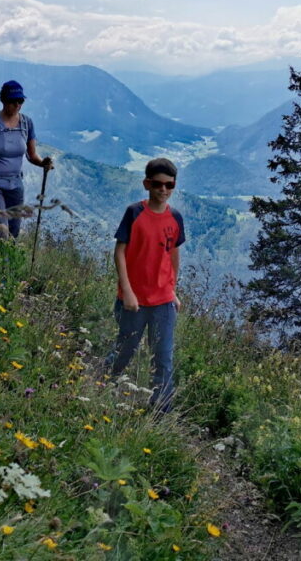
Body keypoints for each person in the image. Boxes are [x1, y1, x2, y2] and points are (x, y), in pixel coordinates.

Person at [105, 158, 185, 412]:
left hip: (163, 301)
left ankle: (161, 412)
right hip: (133, 301)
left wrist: (172, 290)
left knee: (163, 359)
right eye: (158, 184)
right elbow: (119, 252)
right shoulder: (134, 213)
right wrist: (127, 291)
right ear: (147, 184)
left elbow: (173, 255)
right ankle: (102, 384)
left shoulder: (175, 218)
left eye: (169, 185)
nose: (163, 189)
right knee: (124, 351)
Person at [0, 80, 53, 254]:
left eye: (20, 101)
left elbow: (31, 155)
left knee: (12, 235)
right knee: (1, 234)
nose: (17, 105)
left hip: (15, 185)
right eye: (13, 101)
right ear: (3, 100)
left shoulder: (26, 124)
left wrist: (42, 163)